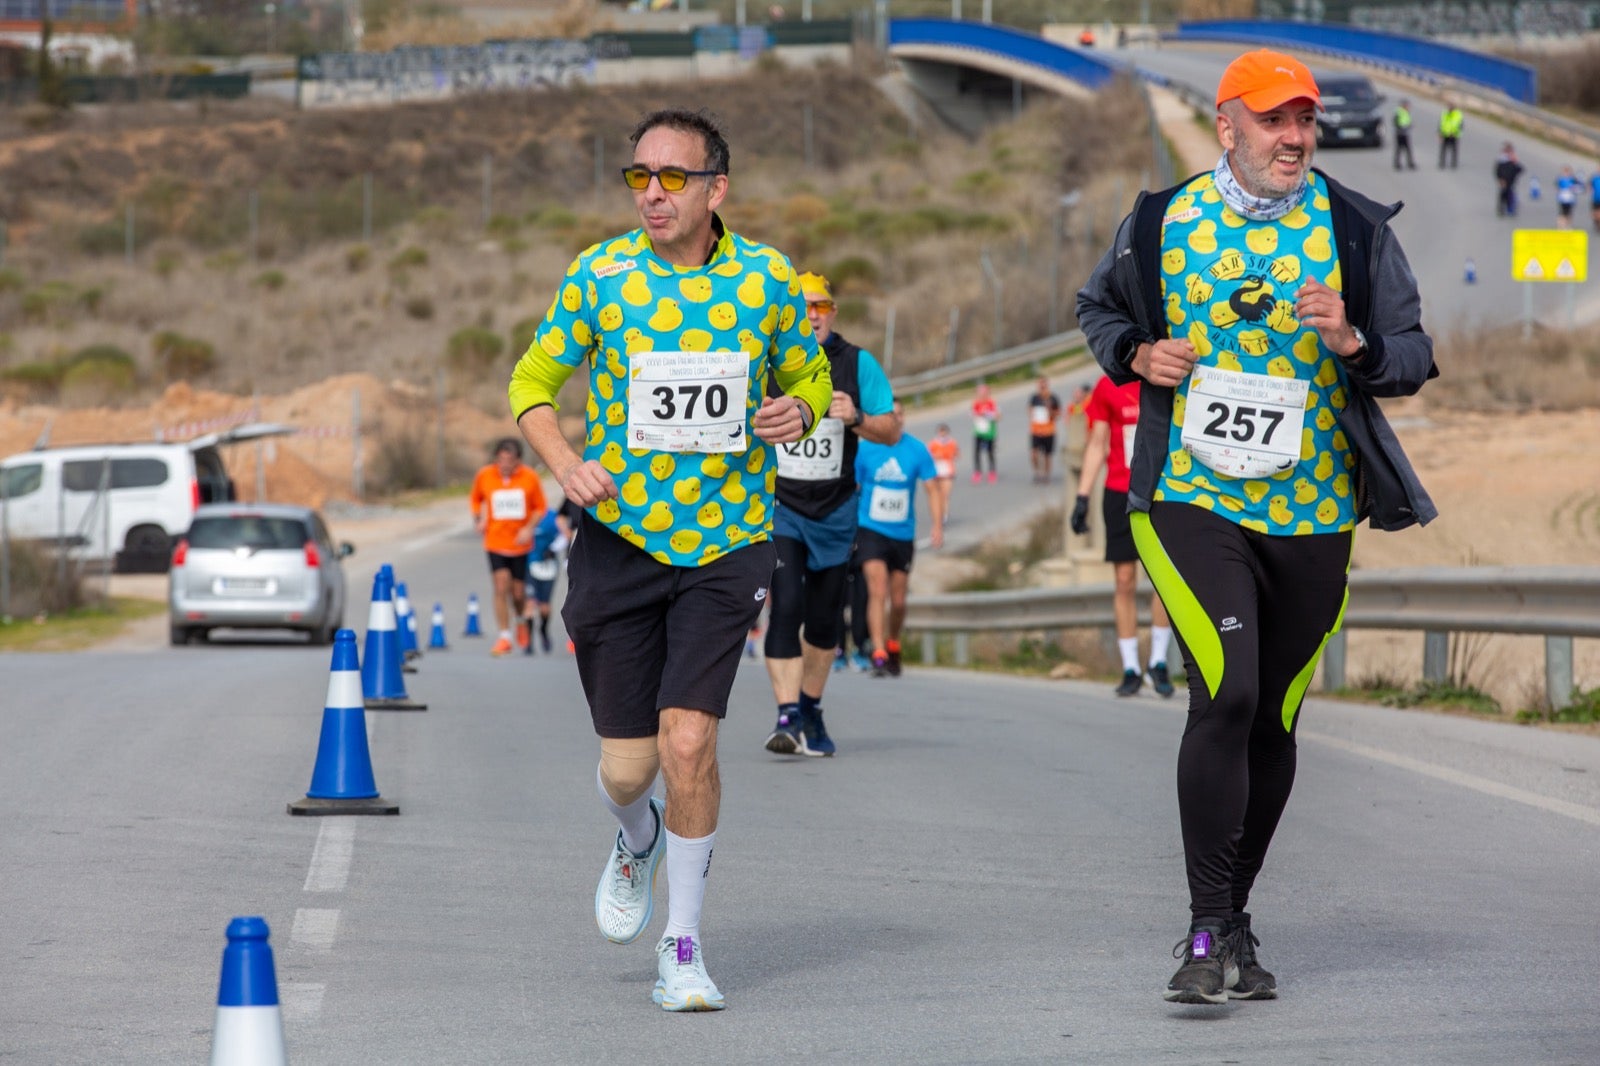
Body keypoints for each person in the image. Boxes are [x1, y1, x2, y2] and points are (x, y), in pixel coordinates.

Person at [1075, 49, 1437, 1007]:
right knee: (1227, 693)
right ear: (1226, 126)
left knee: (1273, 718)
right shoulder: (1160, 223)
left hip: (1313, 513)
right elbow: (1097, 308)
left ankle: (1232, 917)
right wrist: (1135, 353)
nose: (1295, 137)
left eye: (1305, 120)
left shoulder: (1354, 229)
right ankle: (1204, 931)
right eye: (1275, 120)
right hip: (1190, 497)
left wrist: (1354, 342)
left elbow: (1413, 354)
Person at [508, 107, 833, 1012]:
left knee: (690, 741)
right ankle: (637, 837)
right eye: (640, 177)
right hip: (621, 540)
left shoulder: (767, 279)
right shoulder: (601, 275)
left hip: (728, 542)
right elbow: (531, 383)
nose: (653, 193)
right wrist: (564, 462)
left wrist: (800, 409)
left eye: (674, 177)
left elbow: (808, 376)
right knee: (629, 769)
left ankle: (682, 947)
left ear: (715, 188)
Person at [761, 270, 897, 758]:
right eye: (802, 307)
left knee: (823, 621)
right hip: (782, 508)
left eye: (820, 306)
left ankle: (810, 708)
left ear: (832, 313)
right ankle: (786, 715)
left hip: (836, 510)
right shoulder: (767, 361)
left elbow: (892, 430)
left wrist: (856, 417)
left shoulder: (857, 363)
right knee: (786, 607)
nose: (811, 315)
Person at [1070, 374, 1176, 698]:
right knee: (1124, 580)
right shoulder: (1108, 386)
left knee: (1164, 579)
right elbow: (1097, 444)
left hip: (1161, 490)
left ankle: (1158, 662)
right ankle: (1130, 667)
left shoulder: (1166, 376)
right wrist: (1082, 496)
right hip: (1120, 491)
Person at [853, 400, 941, 677]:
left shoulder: (917, 449)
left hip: (902, 534)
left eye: (900, 414)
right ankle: (878, 651)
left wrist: (937, 525)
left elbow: (932, 489)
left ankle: (893, 642)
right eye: (891, 414)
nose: (896, 418)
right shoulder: (865, 449)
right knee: (877, 590)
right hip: (870, 529)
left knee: (899, 600)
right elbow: (852, 489)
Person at [468, 438, 546, 657]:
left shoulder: (529, 477)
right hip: (495, 542)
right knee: (501, 586)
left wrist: (528, 529)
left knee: (518, 593)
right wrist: (478, 519)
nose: (504, 464)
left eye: (509, 460)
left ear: (518, 460)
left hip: (520, 545)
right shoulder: (485, 475)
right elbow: (475, 499)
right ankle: (504, 636)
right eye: (500, 459)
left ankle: (520, 620)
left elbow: (540, 507)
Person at [520, 506, 563, 654]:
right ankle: (529, 642)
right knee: (530, 604)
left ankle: (543, 631)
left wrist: (553, 549)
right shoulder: (525, 514)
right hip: (530, 565)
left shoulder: (552, 516)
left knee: (544, 607)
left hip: (548, 568)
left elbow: (564, 535)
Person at [1027, 375, 1063, 483]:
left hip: (1049, 431)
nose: (1042, 386)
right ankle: (1037, 472)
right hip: (1036, 431)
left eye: (1044, 384)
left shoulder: (1053, 398)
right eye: (1040, 384)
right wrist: (1031, 412)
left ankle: (1047, 475)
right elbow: (1029, 410)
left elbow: (1058, 414)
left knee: (1047, 456)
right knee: (1034, 454)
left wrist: (1050, 410)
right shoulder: (1034, 398)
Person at [925, 422, 958, 536]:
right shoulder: (932, 444)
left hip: (948, 472)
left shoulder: (952, 443)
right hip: (936, 473)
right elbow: (926, 457)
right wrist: (935, 456)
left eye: (944, 433)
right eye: (941, 432)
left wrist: (949, 456)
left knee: (945, 495)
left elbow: (957, 454)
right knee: (936, 495)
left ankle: (944, 516)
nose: (942, 435)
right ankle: (937, 516)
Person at [971, 382, 1000, 483]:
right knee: (977, 452)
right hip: (979, 432)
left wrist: (987, 414)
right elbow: (973, 415)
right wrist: (978, 414)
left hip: (990, 432)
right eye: (980, 394)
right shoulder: (976, 404)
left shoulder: (992, 403)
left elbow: (998, 417)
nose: (982, 396)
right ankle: (977, 472)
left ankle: (992, 472)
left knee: (990, 453)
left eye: (984, 394)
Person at [1495, 142, 1524, 217]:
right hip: (1504, 180)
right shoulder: (1502, 159)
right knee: (1503, 194)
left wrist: (1515, 162)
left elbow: (1520, 169)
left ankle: (1510, 208)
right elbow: (1498, 171)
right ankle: (1501, 209)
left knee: (1510, 194)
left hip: (1511, 180)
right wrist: (1500, 179)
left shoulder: (1513, 159)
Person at [1392, 98, 1415, 171]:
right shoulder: (1399, 112)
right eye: (1407, 105)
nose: (1408, 107)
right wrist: (1401, 127)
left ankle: (1410, 163)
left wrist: (1409, 125)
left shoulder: (1406, 112)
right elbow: (1395, 122)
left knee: (1408, 149)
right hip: (1400, 133)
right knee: (1399, 149)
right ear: (1404, 105)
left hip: (1406, 133)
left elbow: (1407, 121)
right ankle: (1397, 163)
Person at [1438, 102, 1463, 169]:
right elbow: (1441, 123)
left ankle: (1453, 163)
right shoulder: (1444, 114)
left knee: (1454, 150)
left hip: (1454, 135)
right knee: (1443, 149)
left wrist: (1455, 133)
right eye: (1449, 106)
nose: (1450, 107)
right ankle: (1442, 163)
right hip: (1445, 134)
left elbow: (1460, 126)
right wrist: (1440, 133)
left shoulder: (1458, 115)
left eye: (1451, 106)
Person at [1555, 165, 1580, 229]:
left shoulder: (1573, 179)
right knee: (1562, 213)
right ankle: (1561, 226)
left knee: (1569, 213)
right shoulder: (1560, 179)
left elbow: (1578, 188)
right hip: (1563, 199)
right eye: (1565, 172)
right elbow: (1558, 188)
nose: (1566, 173)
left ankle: (1568, 226)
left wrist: (1574, 189)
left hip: (1570, 199)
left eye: (1567, 171)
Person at [1590, 166, 1600, 232]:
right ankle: (1596, 222)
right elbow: (1590, 186)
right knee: (1594, 213)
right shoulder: (1594, 178)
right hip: (1595, 198)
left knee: (1598, 214)